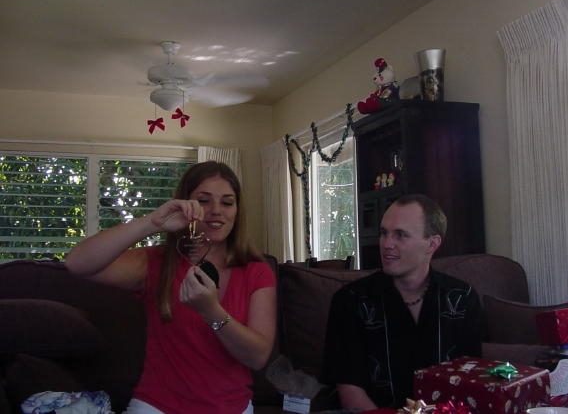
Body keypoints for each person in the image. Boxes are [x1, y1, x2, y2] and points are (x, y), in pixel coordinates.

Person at [65, 161, 276, 414]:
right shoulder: (158, 262)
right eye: (204, 201)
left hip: (232, 408)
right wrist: (153, 222)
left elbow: (257, 357)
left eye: (227, 203)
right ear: (186, 204)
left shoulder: (256, 271)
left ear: (237, 210)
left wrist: (211, 311)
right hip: (157, 406)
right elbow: (77, 263)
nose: (216, 211)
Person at [321, 194, 481, 410]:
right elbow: (349, 389)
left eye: (400, 235)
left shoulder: (462, 298)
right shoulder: (350, 300)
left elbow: (473, 379)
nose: (386, 244)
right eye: (384, 233)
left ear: (432, 244)